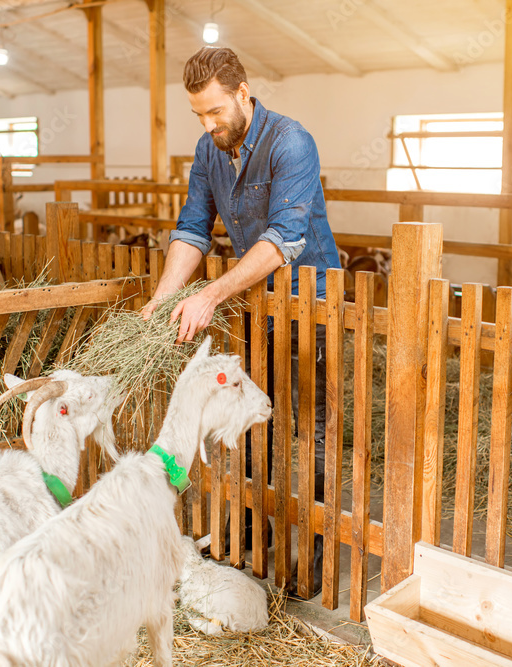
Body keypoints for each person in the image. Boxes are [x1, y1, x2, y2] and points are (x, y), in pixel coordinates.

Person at [141, 46, 340, 597]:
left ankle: (316, 543)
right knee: (253, 412)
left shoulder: (291, 142)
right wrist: (165, 296)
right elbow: (192, 228)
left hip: (310, 299)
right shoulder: (208, 152)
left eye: (215, 113)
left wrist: (212, 294)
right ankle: (255, 528)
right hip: (257, 299)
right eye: (199, 116)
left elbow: (285, 238)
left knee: (312, 427)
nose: (207, 125)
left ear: (242, 94)